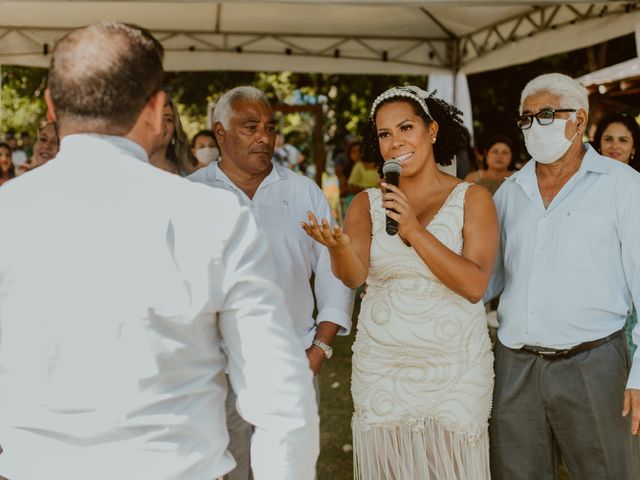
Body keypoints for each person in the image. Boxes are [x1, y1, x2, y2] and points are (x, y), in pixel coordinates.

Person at [0, 22, 319, 480]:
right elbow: (280, 397)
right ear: (155, 109)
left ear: (51, 106)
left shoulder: (8, 213)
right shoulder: (215, 216)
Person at [302, 85, 498, 480]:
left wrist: (413, 229)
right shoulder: (366, 203)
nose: (395, 142)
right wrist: (339, 249)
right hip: (383, 366)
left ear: (432, 131)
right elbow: (355, 276)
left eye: (405, 127)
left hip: (454, 366)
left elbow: (474, 284)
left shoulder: (472, 198)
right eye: (384, 134)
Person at [189, 86, 354, 480]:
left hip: (291, 364)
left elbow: (335, 270)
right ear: (220, 132)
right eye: (250, 126)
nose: (265, 136)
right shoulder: (191, 194)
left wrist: (319, 349)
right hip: (214, 372)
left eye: (270, 127)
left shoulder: (303, 193)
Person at [486, 73, 640, 480]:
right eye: (527, 118)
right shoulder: (508, 192)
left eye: (549, 114)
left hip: (595, 364)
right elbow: (486, 281)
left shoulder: (623, 186)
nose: (536, 125)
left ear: (581, 120)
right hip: (515, 365)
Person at [592, 112, 640, 357]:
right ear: (598, 142)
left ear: (633, 147)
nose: (615, 146)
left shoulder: (636, 184)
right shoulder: (584, 185)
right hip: (595, 291)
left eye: (623, 140)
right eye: (608, 138)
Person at [149, 98, 197, 175]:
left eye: (168, 119)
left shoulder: (188, 174)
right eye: (156, 117)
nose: (162, 124)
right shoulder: (129, 166)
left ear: (175, 130)